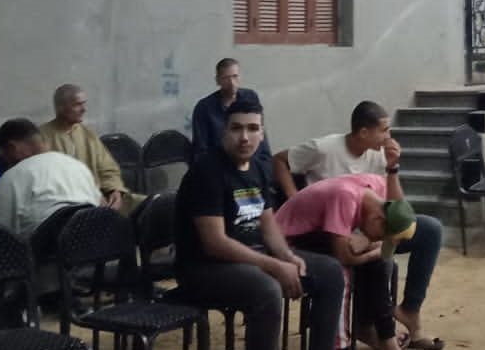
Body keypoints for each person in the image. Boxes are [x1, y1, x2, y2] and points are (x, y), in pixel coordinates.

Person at [172, 99, 343, 350]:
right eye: (236, 128)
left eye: (252, 128)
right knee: (267, 289)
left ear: (262, 134)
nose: (244, 137)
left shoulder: (259, 168)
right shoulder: (206, 171)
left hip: (250, 258)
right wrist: (274, 265)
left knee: (330, 271)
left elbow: (268, 224)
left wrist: (287, 256)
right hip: (204, 268)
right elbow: (215, 243)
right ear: (224, 131)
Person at [273, 102, 445, 347]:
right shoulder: (325, 148)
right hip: (322, 230)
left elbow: (397, 208)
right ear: (364, 132)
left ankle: (408, 311)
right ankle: (371, 331)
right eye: (384, 130)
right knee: (378, 262)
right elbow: (279, 160)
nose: (389, 136)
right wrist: (293, 197)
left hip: (364, 224)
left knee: (430, 230)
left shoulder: (377, 160)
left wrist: (393, 167)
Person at [273, 175, 418, 350]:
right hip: (286, 242)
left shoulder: (376, 189)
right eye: (380, 236)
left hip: (317, 236)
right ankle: (339, 344)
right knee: (340, 272)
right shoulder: (346, 196)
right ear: (378, 219)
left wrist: (369, 244)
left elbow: (379, 250)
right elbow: (344, 256)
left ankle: (380, 333)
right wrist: (371, 252)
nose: (376, 239)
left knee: (383, 264)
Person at [0, 119, 102, 239]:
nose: (7, 164)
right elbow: (100, 205)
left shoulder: (12, 177)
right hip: (93, 241)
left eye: (4, 156)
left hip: (47, 248)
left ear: (12, 148)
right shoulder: (78, 166)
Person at [41, 84, 136, 211]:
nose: (84, 110)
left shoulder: (87, 134)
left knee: (148, 205)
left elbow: (107, 169)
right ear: (61, 108)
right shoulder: (42, 137)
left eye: (84, 104)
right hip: (68, 206)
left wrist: (115, 191)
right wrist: (92, 197)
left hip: (101, 197)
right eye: (77, 105)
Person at [191, 58, 271, 166]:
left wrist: (265, 166)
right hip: (219, 166)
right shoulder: (204, 107)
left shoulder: (250, 97)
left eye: (235, 76)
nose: (232, 83)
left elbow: (261, 139)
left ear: (240, 77)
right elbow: (200, 150)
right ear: (217, 80)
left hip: (251, 165)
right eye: (226, 78)